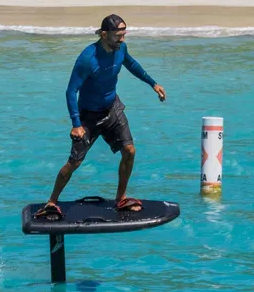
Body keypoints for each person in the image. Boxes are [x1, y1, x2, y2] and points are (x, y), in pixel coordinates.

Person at [35, 14, 166, 219]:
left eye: (124, 35)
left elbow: (132, 64)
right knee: (74, 163)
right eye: (118, 35)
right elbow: (71, 91)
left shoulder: (121, 48)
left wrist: (153, 83)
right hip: (88, 116)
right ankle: (51, 201)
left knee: (129, 151)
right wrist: (76, 124)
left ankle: (121, 198)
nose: (122, 39)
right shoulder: (88, 58)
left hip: (112, 108)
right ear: (104, 34)